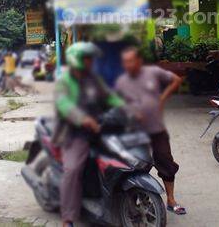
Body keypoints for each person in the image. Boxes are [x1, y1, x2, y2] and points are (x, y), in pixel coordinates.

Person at [54, 42, 125, 227]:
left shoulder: (93, 78)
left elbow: (109, 96)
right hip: (75, 132)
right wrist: (83, 119)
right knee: (72, 170)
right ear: (76, 59)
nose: (90, 62)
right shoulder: (64, 81)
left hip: (100, 128)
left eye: (90, 59)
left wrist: (126, 107)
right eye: (87, 58)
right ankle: (67, 218)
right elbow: (63, 104)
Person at [115, 46, 186, 215]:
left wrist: (161, 99)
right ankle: (132, 198)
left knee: (165, 160)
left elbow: (176, 80)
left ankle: (171, 200)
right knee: (133, 163)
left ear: (139, 61)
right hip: (133, 131)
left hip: (156, 128)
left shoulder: (153, 72)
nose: (127, 65)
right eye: (124, 62)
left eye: (130, 61)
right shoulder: (121, 81)